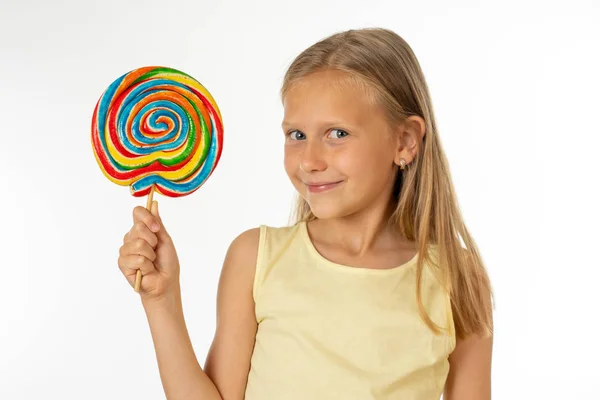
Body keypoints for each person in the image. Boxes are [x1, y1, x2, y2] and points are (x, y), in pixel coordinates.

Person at [118, 27, 494, 400]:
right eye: (296, 135)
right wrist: (161, 301)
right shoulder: (257, 258)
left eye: (338, 134)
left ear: (405, 141)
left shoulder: (456, 279)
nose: (310, 161)